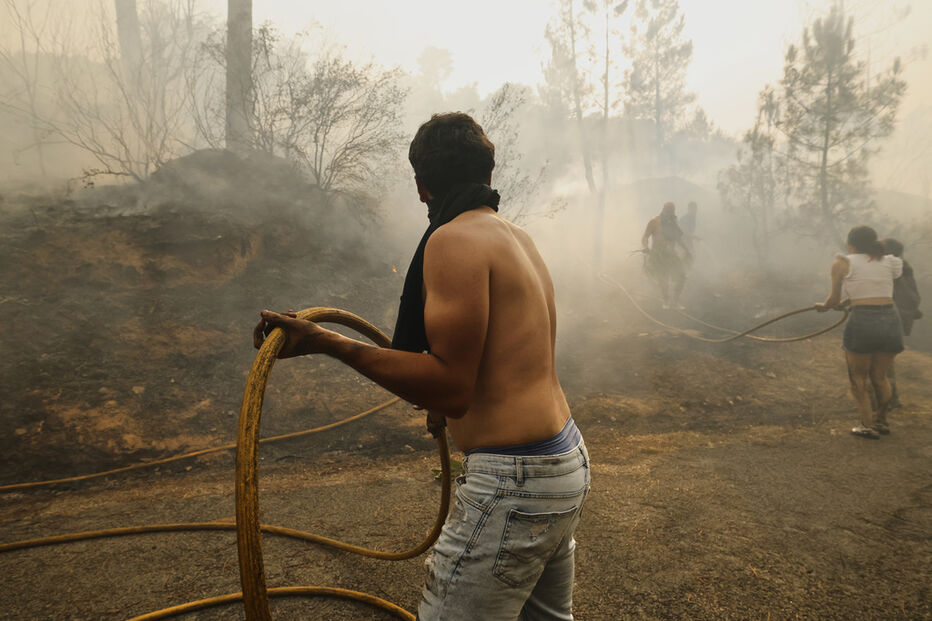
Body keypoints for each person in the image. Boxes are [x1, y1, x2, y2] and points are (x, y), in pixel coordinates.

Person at [253, 112, 590, 620]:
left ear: (421, 186)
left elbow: (452, 388)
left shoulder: (453, 240)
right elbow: (506, 361)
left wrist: (327, 342)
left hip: (516, 479)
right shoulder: (519, 239)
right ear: (488, 173)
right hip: (564, 462)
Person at [816, 226, 903, 438]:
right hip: (890, 318)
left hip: (863, 320)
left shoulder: (842, 263)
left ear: (850, 244)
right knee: (880, 377)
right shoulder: (890, 261)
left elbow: (833, 300)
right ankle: (881, 421)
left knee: (858, 378)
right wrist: (849, 301)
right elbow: (873, 286)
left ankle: (866, 425)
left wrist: (824, 306)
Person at [880, 238, 922, 408]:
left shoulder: (890, 268)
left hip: (888, 317)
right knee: (886, 360)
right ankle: (891, 398)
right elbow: (913, 296)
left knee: (882, 361)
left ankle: (888, 400)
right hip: (900, 317)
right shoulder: (905, 267)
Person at [641, 201, 691, 309]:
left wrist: (686, 250)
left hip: (671, 254)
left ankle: (676, 300)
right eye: (668, 210)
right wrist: (646, 247)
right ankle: (665, 300)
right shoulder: (654, 222)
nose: (670, 213)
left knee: (682, 276)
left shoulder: (673, 222)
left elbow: (678, 239)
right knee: (663, 279)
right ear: (663, 210)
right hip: (658, 255)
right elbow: (645, 237)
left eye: (672, 211)